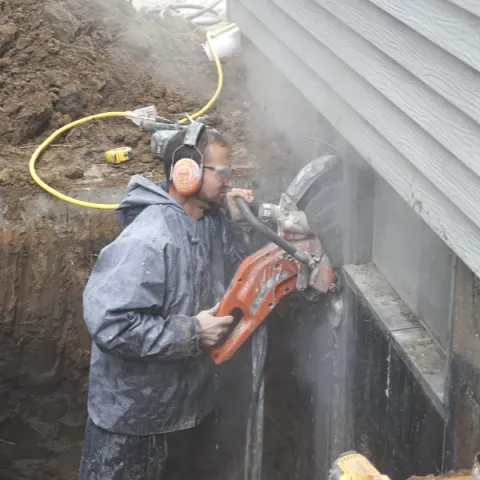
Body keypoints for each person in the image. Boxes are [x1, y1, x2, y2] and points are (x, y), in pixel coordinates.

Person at [79, 122, 255, 479]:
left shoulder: (206, 222)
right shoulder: (149, 238)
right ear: (184, 172)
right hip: (134, 425)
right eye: (221, 172)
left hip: (183, 410)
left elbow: (238, 277)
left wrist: (239, 225)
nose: (228, 182)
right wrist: (191, 333)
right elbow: (112, 324)